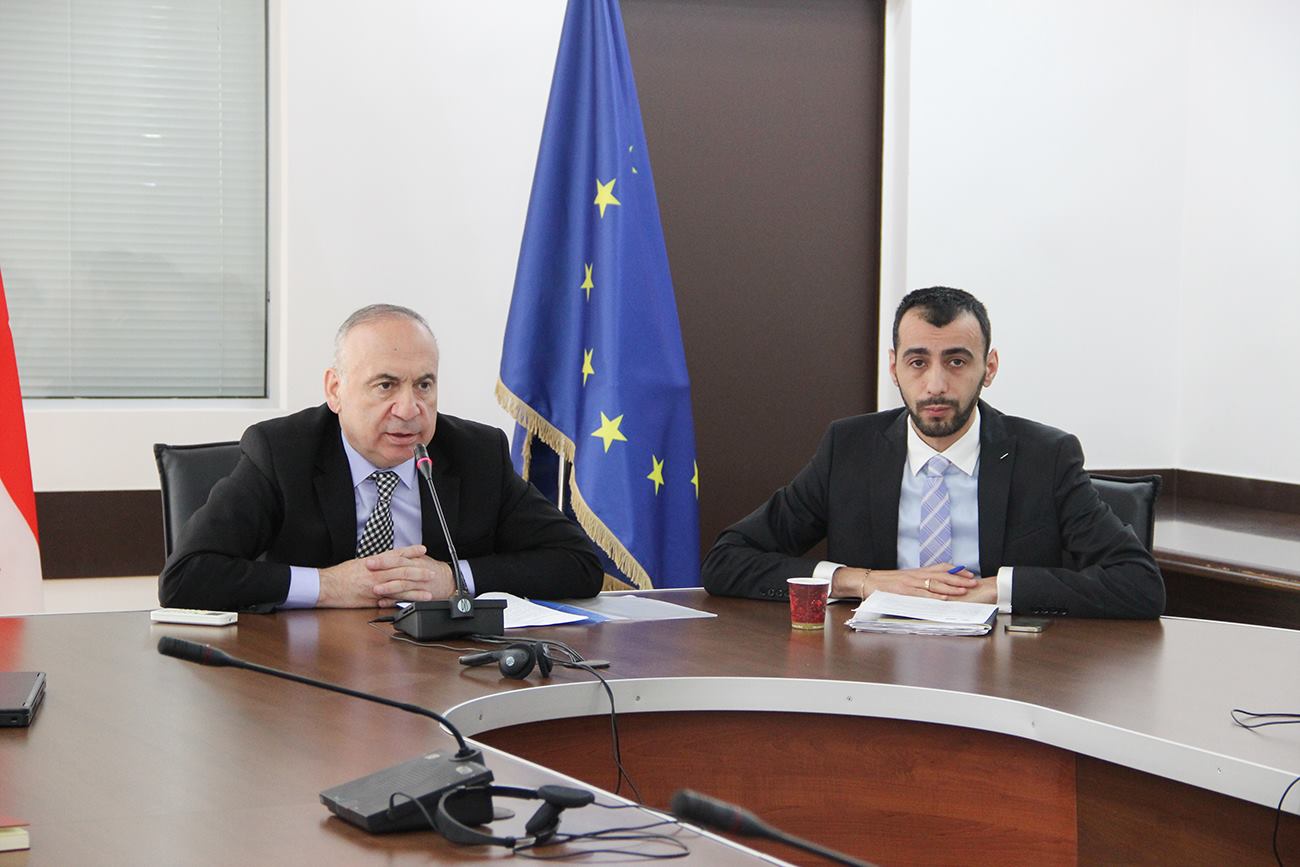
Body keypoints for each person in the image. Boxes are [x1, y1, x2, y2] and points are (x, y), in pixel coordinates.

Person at [702, 286, 1164, 619]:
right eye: (918, 362)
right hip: (870, 669)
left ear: (989, 368)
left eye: (957, 361)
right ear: (894, 367)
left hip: (1005, 675)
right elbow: (727, 561)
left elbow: (1139, 583)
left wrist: (994, 589)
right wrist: (862, 580)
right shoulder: (850, 449)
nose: (936, 384)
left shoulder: (1046, 457)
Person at [159, 304, 602, 611]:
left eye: (424, 385)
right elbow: (186, 578)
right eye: (386, 385)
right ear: (335, 390)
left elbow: (578, 563)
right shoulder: (282, 452)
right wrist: (328, 586)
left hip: (441, 674)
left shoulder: (476, 454)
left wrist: (452, 579)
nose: (409, 409)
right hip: (311, 677)